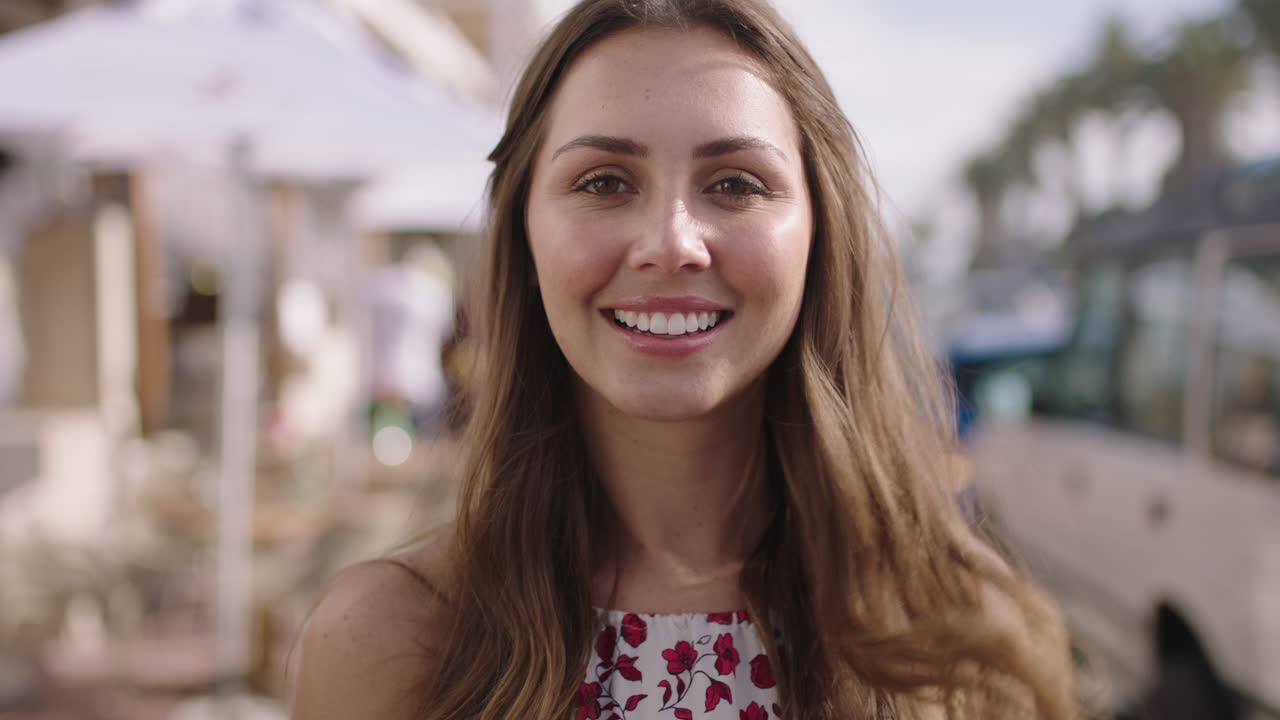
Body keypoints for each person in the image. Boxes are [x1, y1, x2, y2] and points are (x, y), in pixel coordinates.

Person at [290, 1, 1078, 718]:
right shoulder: (390, 640)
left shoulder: (963, 636)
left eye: (735, 183)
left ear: (819, 234)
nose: (670, 242)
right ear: (526, 237)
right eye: (603, 181)